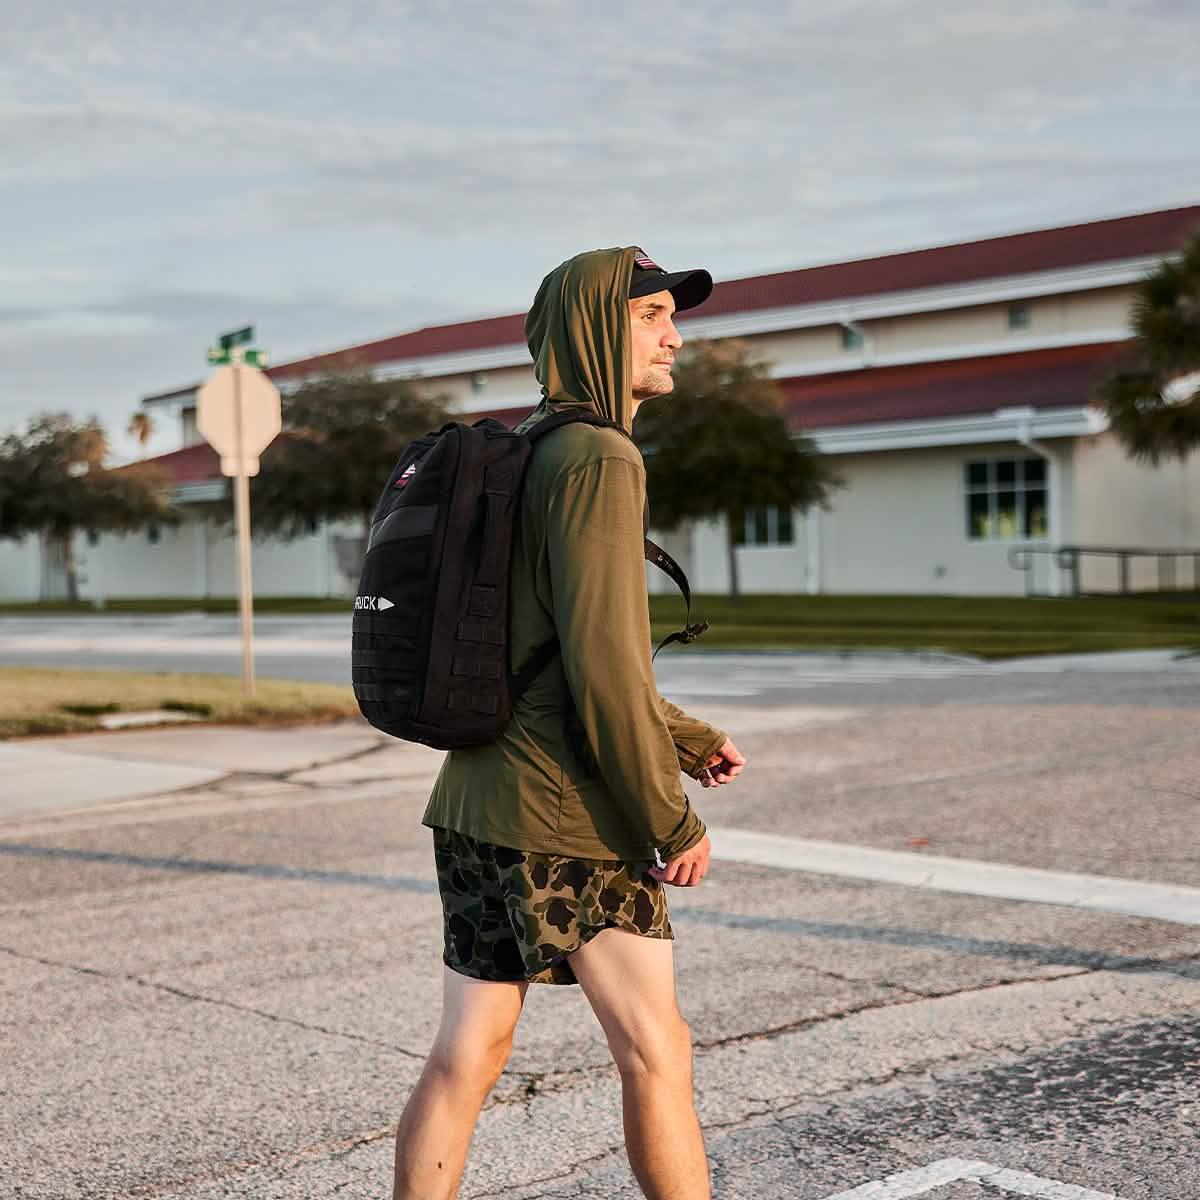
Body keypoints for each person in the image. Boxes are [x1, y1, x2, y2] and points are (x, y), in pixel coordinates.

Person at [393, 246, 747, 1200]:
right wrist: (669, 820)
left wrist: (685, 734)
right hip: (562, 819)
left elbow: (543, 646)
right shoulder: (599, 456)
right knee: (656, 1050)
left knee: (466, 1055)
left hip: (474, 803)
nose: (676, 334)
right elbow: (602, 667)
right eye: (652, 316)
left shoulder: (530, 447)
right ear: (594, 329)